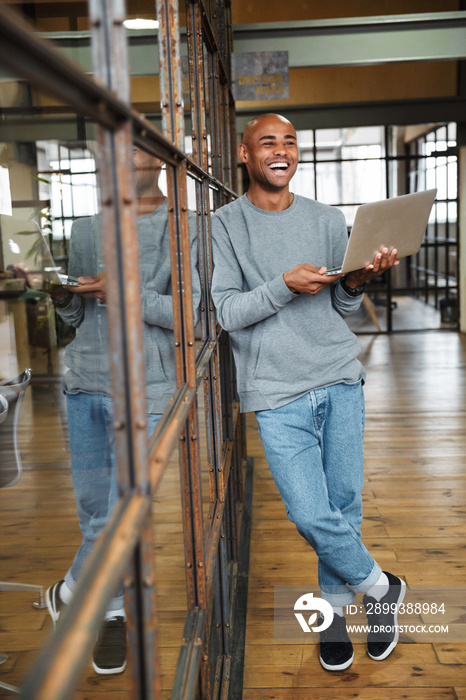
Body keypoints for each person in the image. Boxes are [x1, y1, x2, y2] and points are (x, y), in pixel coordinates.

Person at [211, 113, 406, 672]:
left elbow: (342, 306)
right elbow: (226, 312)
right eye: (267, 142)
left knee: (344, 506)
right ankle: (382, 585)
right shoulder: (226, 225)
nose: (281, 150)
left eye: (289, 141)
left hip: (339, 376)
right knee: (309, 511)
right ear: (245, 155)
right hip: (275, 389)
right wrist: (282, 285)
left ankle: (341, 611)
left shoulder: (328, 218)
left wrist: (356, 281)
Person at [45, 146, 200, 675]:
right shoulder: (88, 228)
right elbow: (75, 312)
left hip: (146, 388)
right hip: (84, 382)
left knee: (118, 515)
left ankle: (70, 592)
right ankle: (109, 613)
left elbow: (195, 315)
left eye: (131, 153)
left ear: (159, 160)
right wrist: (57, 294)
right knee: (95, 514)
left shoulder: (185, 228)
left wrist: (125, 292)